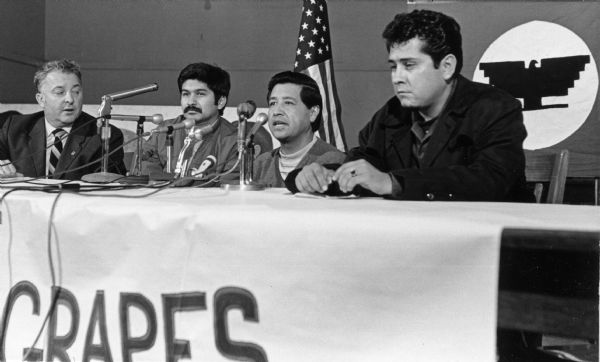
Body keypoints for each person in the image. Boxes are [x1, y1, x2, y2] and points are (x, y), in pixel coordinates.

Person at [286, 10, 532, 202]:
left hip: (490, 250)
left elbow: (490, 180)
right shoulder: (392, 112)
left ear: (447, 66)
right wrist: (311, 176)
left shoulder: (496, 108)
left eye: (409, 65)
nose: (397, 77)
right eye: (394, 66)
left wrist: (393, 183)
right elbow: (361, 166)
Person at [0, 59, 126, 179]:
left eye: (76, 91)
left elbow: (110, 188)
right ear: (41, 99)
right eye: (60, 92)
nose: (70, 100)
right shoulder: (15, 128)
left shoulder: (103, 137)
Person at [141, 62, 241, 182]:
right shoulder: (164, 130)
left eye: (200, 94)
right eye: (186, 94)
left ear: (220, 102)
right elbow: (144, 168)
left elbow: (229, 185)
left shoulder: (234, 141)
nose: (190, 102)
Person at [253, 71, 345, 187]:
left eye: (288, 103)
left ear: (313, 113)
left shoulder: (333, 162)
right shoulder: (260, 164)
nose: (277, 111)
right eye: (273, 103)